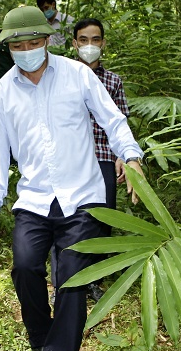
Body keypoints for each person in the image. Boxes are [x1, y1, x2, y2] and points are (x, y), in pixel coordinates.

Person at [0, 6, 145, 351]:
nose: (28, 50)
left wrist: (133, 157)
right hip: (34, 199)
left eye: (35, 42)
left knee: (71, 280)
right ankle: (42, 344)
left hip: (82, 196)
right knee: (24, 267)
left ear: (48, 40)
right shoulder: (1, 92)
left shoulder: (77, 75)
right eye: (19, 45)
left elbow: (113, 120)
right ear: (10, 48)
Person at [50, 18, 131, 304]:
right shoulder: (59, 76)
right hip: (68, 159)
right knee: (64, 214)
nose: (89, 46)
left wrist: (123, 155)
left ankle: (93, 279)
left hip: (104, 157)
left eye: (95, 40)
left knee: (102, 217)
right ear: (74, 43)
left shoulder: (113, 81)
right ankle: (63, 279)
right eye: (83, 40)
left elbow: (120, 121)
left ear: (103, 43)